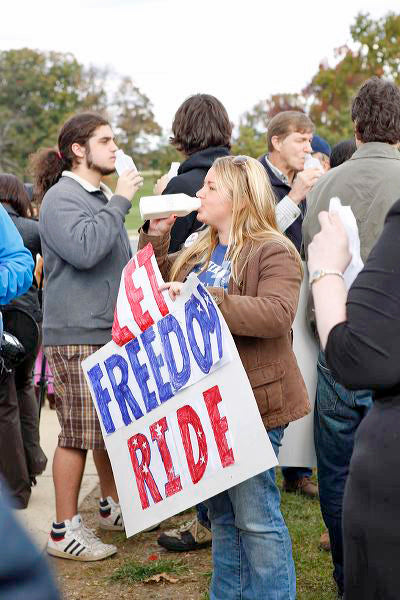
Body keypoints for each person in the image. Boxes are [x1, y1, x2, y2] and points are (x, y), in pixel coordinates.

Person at [138, 155, 310, 599]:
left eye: (210, 187)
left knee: (256, 517)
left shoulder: (272, 249)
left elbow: (276, 314)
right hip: (206, 406)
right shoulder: (200, 245)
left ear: (237, 196)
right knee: (223, 517)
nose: (199, 192)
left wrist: (205, 298)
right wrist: (156, 237)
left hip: (253, 404)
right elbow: (157, 283)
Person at [302, 76, 400, 597]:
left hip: (338, 336)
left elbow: (310, 253)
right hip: (392, 345)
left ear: (356, 129)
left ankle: (347, 573)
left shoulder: (324, 184)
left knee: (338, 467)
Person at [31, 111, 143, 561]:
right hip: (76, 333)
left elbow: (112, 256)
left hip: (102, 329)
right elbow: (83, 250)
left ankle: (109, 506)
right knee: (77, 431)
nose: (115, 147)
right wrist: (120, 202)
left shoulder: (95, 195)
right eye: (105, 140)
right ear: (79, 149)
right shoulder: (62, 197)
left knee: (105, 426)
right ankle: (62, 530)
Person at [259, 110, 322, 498]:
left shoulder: (302, 181)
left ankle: (297, 469)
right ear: (277, 142)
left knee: (302, 371)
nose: (308, 147)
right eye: (301, 140)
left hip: (301, 287)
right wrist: (297, 194)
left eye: (310, 140)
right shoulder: (259, 180)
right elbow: (260, 232)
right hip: (268, 293)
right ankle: (273, 462)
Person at [0, 174, 47, 508]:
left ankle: (21, 479)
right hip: (29, 320)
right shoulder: (34, 227)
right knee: (21, 393)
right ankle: (29, 468)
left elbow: (21, 265)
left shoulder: (19, 228)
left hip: (16, 323)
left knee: (11, 401)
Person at [153, 94, 233, 253]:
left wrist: (161, 201)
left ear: (182, 131)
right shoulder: (243, 175)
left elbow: (161, 257)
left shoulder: (181, 185)